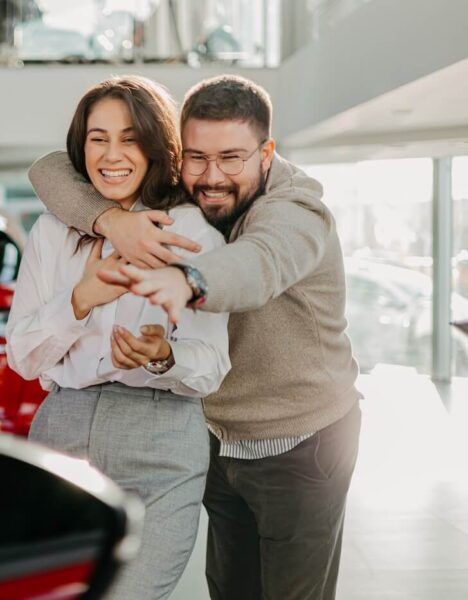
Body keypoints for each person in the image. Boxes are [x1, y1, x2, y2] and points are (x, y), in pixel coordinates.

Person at [28, 74, 361, 600]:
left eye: (232, 158)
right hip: (215, 433)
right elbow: (49, 170)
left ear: (266, 153)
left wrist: (188, 281)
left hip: (298, 438)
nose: (212, 178)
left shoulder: (296, 209)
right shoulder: (186, 193)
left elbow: (261, 263)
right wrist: (111, 220)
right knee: (230, 590)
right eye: (197, 158)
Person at [6, 75, 230, 599]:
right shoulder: (51, 232)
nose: (112, 154)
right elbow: (22, 354)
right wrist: (79, 300)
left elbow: (212, 365)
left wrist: (163, 356)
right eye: (98, 138)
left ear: (156, 147)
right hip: (62, 432)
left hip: (162, 447)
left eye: (130, 138)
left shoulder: (192, 234)